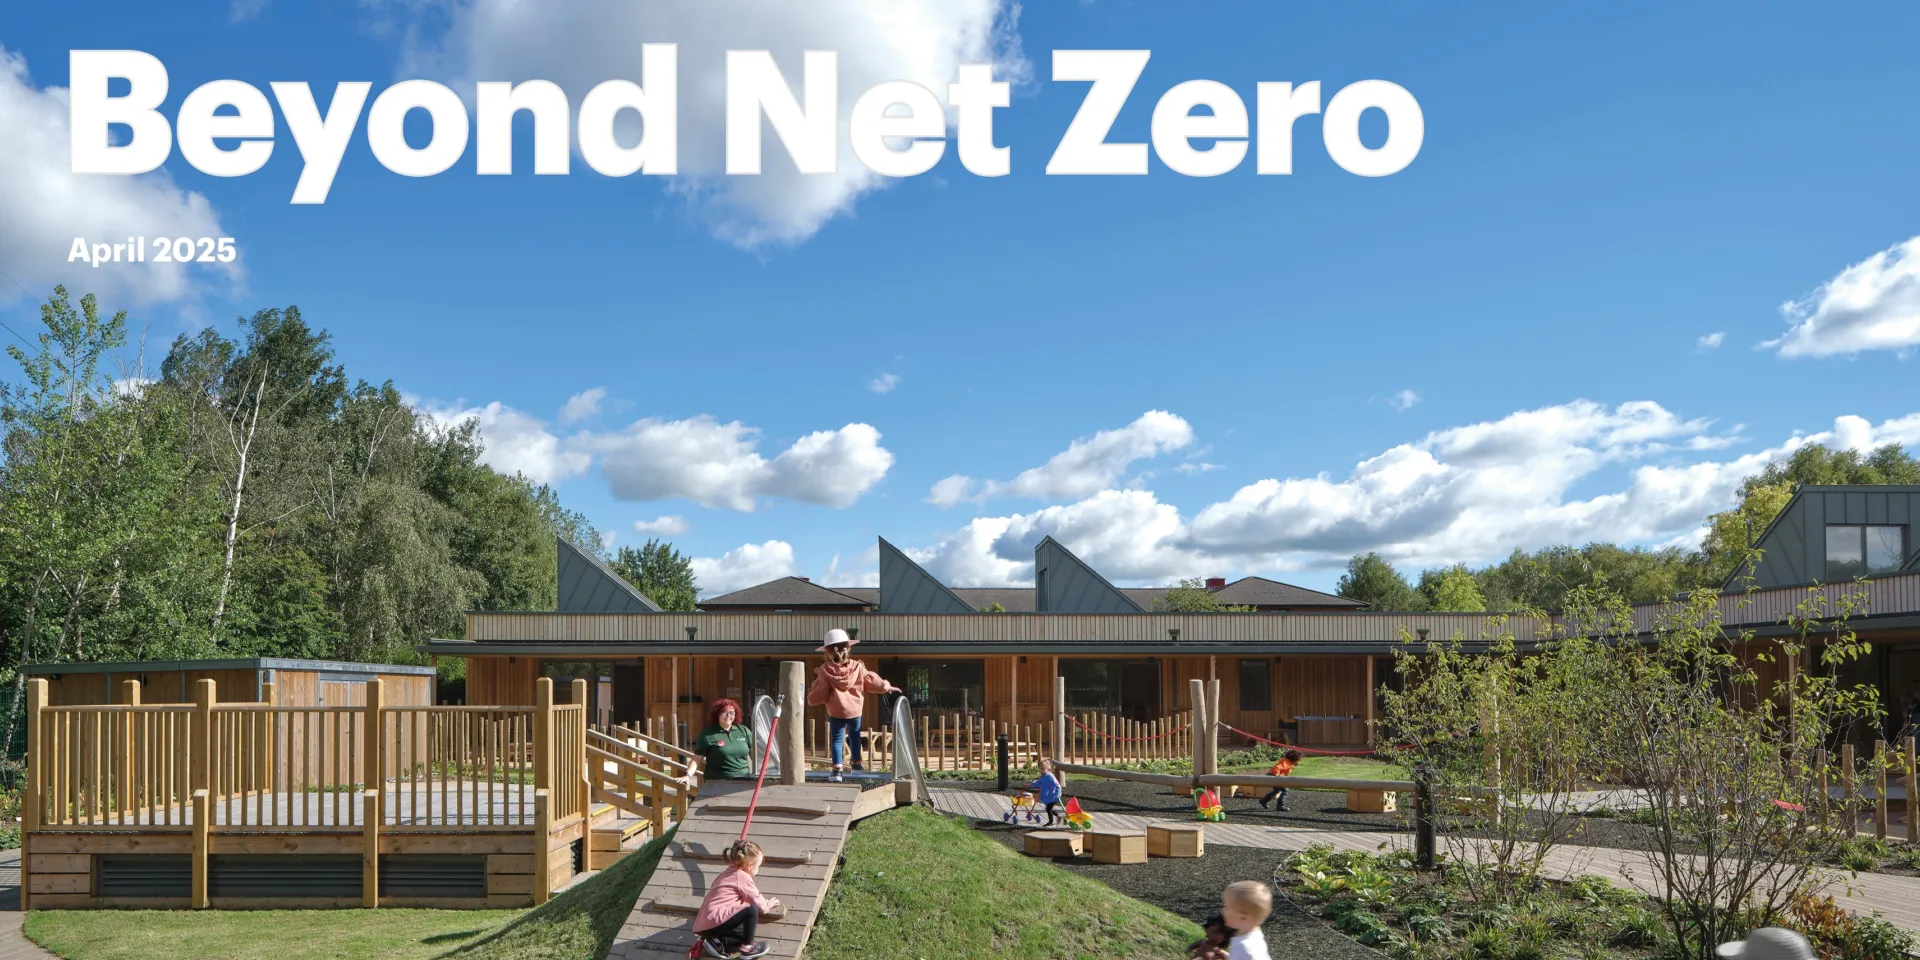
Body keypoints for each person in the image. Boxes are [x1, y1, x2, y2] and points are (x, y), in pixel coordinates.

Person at [807, 628, 900, 783]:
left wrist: (811, 698)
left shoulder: (825, 670)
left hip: (836, 711)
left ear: (828, 652)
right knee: (855, 736)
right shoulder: (858, 667)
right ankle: (857, 765)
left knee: (837, 740)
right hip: (855, 711)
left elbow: (820, 692)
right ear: (848, 648)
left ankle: (837, 771)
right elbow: (873, 682)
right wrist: (886, 686)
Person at [692, 840, 783, 959]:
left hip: (704, 926)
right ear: (750, 865)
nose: (758, 869)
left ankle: (717, 942)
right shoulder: (742, 876)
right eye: (758, 866)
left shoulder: (727, 872)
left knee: (744, 933)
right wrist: (767, 905)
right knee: (751, 909)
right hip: (714, 920)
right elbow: (755, 899)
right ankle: (747, 948)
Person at [696, 698, 754, 780]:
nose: (728, 715)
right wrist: (687, 775)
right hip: (717, 781)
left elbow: (755, 757)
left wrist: (763, 773)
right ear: (717, 714)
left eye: (731, 713)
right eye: (724, 712)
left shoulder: (744, 731)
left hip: (743, 780)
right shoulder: (708, 734)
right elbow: (697, 759)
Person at [1220, 880, 1273, 960]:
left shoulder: (1245, 948)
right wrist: (1228, 957)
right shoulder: (1253, 936)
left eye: (1226, 906)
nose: (1222, 910)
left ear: (1243, 918)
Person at [1029, 758, 1065, 827]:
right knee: (1048, 808)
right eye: (1040, 768)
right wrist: (1032, 784)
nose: (1041, 770)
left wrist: (1057, 794)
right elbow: (1040, 782)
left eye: (1042, 768)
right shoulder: (1045, 776)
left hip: (1054, 796)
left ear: (1048, 768)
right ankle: (1058, 816)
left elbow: (1058, 786)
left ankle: (1051, 821)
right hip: (1050, 795)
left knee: (1048, 808)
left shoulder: (1050, 777)